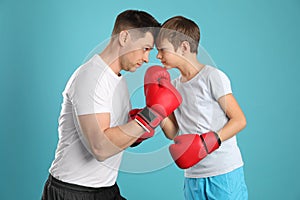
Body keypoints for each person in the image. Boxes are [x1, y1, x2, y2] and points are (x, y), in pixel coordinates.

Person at [41, 10, 182, 200]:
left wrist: (139, 131)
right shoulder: (91, 77)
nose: (147, 58)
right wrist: (151, 115)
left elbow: (116, 136)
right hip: (72, 190)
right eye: (145, 48)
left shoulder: (119, 80)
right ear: (124, 37)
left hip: (105, 188)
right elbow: (100, 148)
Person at [155, 16, 248, 199]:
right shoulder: (173, 86)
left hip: (223, 171)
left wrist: (209, 142)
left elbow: (239, 120)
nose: (158, 56)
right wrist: (157, 107)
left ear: (184, 47)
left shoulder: (212, 77)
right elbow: (173, 132)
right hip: (193, 174)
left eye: (162, 50)